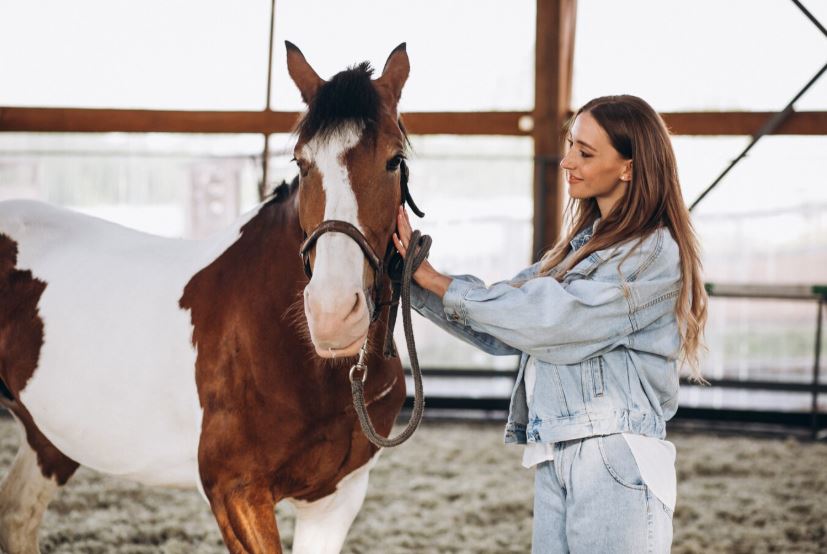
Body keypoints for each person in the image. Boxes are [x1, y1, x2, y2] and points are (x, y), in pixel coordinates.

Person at [393, 94, 708, 553]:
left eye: (585, 152)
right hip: (556, 450)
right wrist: (411, 278)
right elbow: (505, 324)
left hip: (612, 457)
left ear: (628, 167)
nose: (566, 162)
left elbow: (554, 321)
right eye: (570, 147)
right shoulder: (577, 249)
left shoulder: (652, 253)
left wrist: (437, 281)